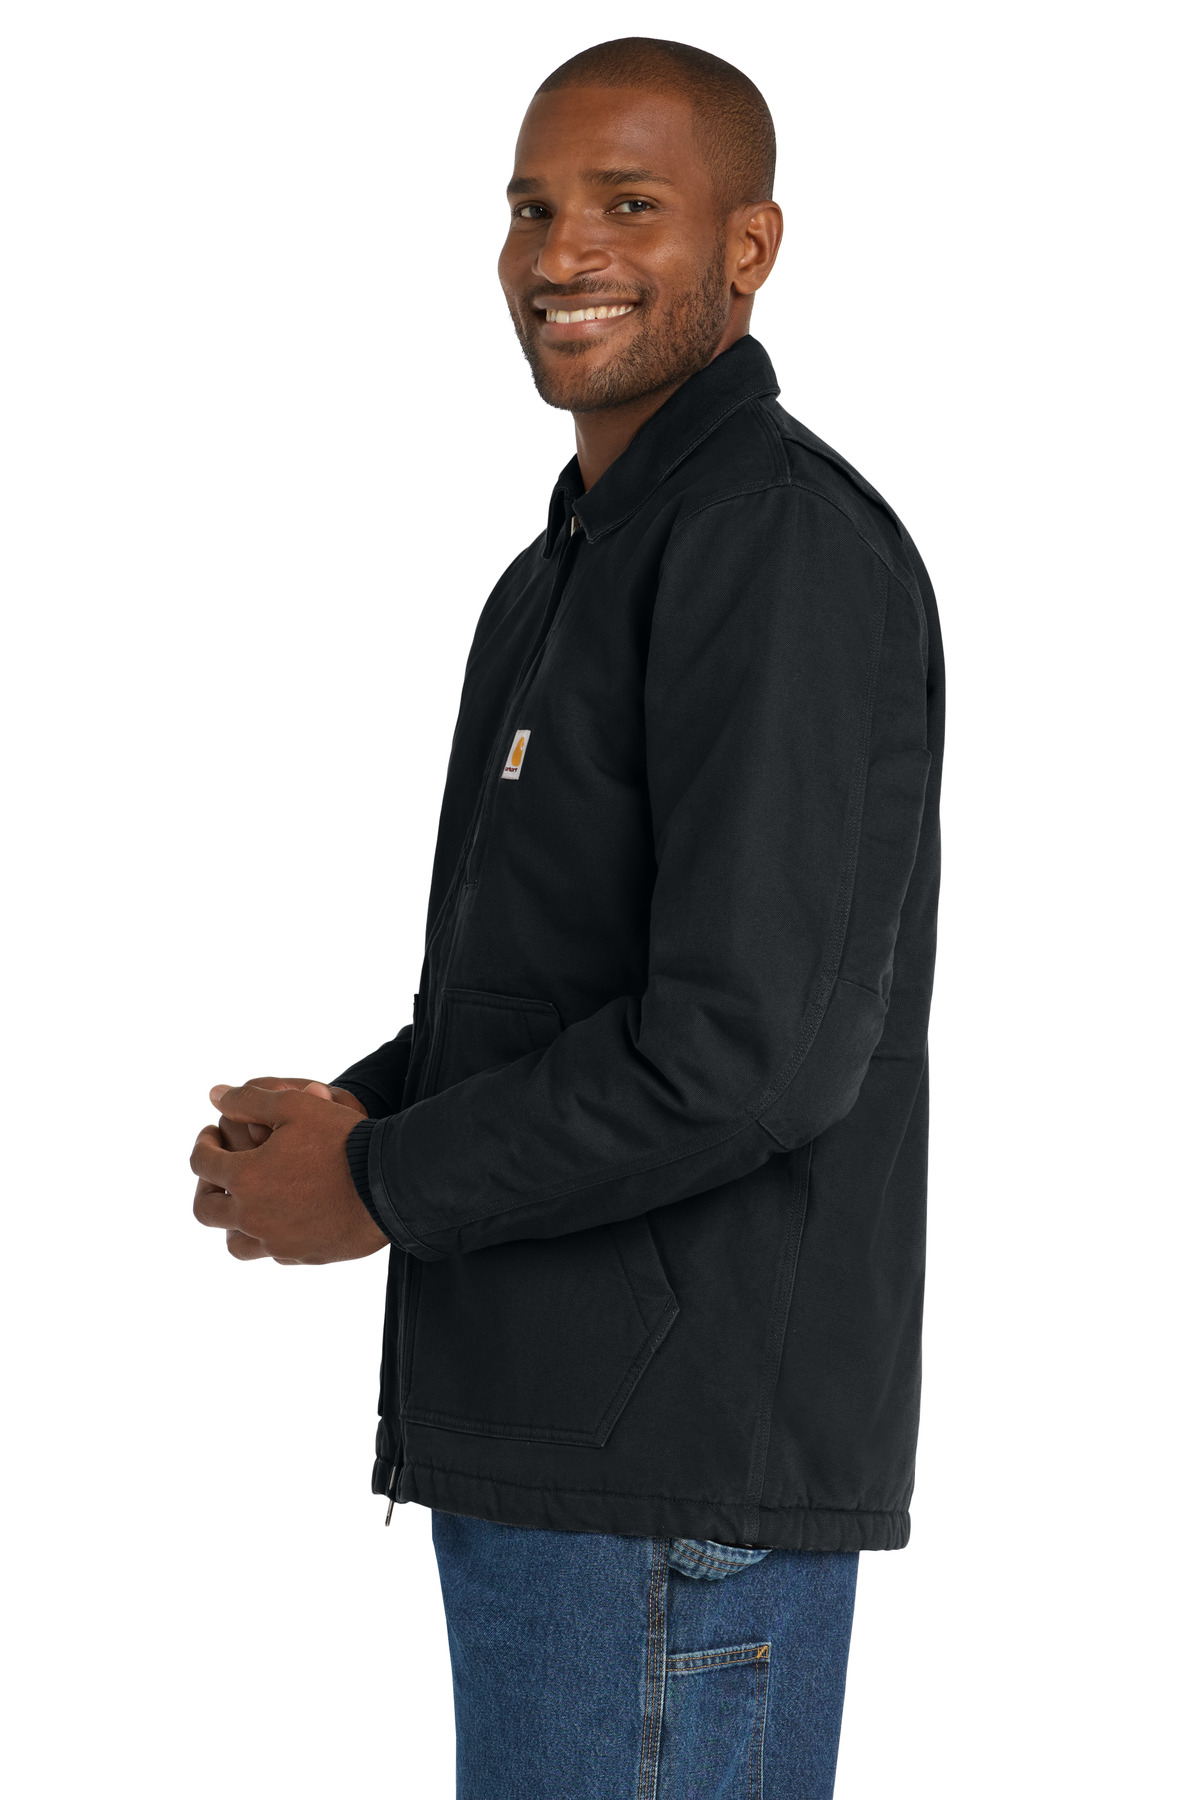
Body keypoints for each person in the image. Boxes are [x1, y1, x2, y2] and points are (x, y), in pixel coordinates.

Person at [191, 36, 943, 1799]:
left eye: (627, 204)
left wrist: (385, 1184)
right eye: (533, 208)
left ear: (748, 248)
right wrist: (361, 1110)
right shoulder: (565, 569)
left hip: (670, 1486)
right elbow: (561, 984)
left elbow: (748, 1053)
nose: (563, 252)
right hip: (558, 1443)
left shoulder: (774, 548)